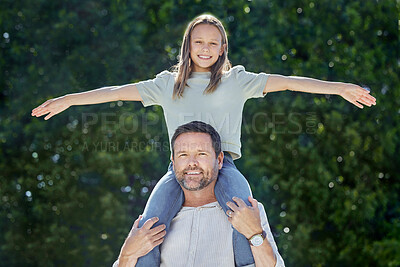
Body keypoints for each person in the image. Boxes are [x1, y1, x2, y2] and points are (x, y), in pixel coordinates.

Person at [31, 13, 376, 266]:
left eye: (213, 42)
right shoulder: (167, 84)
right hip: (178, 171)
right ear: (188, 46)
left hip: (222, 168)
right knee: (148, 229)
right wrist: (69, 99)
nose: (206, 48)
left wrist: (339, 88)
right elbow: (115, 92)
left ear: (223, 47)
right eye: (199, 41)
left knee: (244, 217)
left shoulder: (237, 81)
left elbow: (287, 81)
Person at [113, 121, 285, 267]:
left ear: (219, 160)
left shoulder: (247, 212)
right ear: (173, 162)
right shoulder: (152, 218)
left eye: (201, 154)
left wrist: (255, 235)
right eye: (183, 155)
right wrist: (127, 255)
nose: (192, 163)